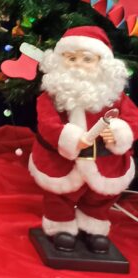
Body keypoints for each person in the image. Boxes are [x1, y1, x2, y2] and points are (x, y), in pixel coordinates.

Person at [28, 25, 138, 253]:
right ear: (60, 61)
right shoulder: (51, 96)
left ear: (102, 64)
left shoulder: (115, 96)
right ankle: (61, 228)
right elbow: (47, 123)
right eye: (71, 58)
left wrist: (119, 131)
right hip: (61, 161)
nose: (78, 64)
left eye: (87, 59)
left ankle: (93, 227)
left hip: (105, 162)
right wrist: (68, 138)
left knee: (99, 198)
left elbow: (133, 119)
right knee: (59, 197)